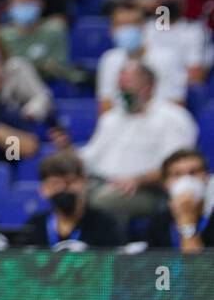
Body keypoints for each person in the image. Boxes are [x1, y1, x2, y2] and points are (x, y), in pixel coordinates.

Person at [81, 62, 198, 218]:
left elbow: (176, 165)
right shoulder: (111, 118)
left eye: (128, 85)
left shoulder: (173, 118)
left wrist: (138, 180)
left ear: (149, 86)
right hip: (101, 181)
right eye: (120, 86)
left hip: (146, 190)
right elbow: (90, 155)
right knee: (68, 193)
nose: (122, 91)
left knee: (100, 200)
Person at [25, 150, 125, 249]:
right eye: (55, 184)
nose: (63, 188)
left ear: (84, 182)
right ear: (44, 189)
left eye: (70, 182)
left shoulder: (106, 224)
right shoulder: (35, 226)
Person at [96, 1, 186, 110]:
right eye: (121, 24)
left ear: (144, 26)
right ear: (112, 29)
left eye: (132, 24)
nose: (127, 29)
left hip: (159, 123)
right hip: (121, 124)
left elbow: (175, 104)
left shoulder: (167, 58)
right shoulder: (109, 59)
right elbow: (106, 105)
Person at [144, 148, 214, 252]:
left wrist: (186, 219)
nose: (186, 180)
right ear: (165, 184)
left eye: (193, 172)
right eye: (177, 174)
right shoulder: (160, 220)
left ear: (207, 177)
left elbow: (196, 266)